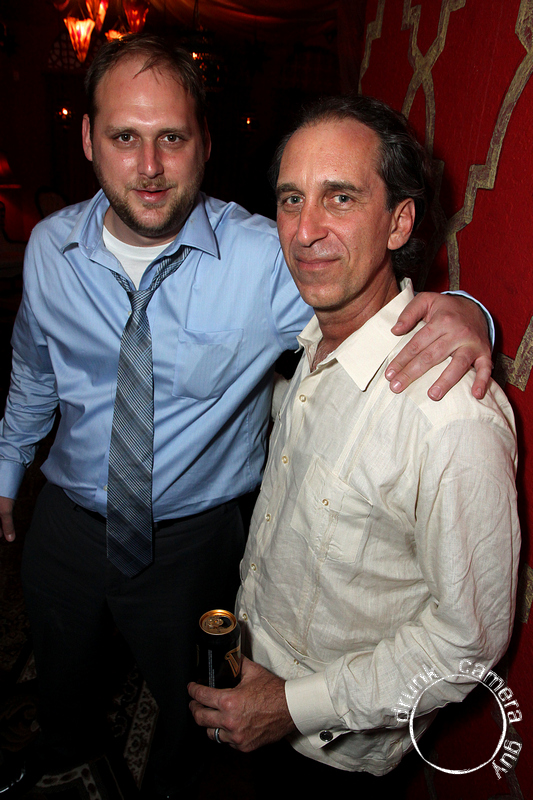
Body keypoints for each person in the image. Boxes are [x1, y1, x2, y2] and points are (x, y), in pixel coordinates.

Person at [0, 35, 492, 799]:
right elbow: (33, 372)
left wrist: (466, 314)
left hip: (194, 541)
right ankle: (61, 743)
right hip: (63, 518)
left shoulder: (270, 255)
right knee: (62, 660)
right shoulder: (47, 248)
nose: (149, 166)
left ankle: (175, 784)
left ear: (204, 142)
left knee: (199, 704)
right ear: (89, 139)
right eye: (125, 137)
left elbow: (368, 306)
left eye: (171, 138)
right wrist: (7, 470)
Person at [188, 95, 520, 796]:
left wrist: (290, 707)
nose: (305, 230)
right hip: (250, 675)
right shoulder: (312, 344)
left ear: (399, 222)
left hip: (332, 756)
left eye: (339, 197)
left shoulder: (449, 414)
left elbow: (466, 644)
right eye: (291, 199)